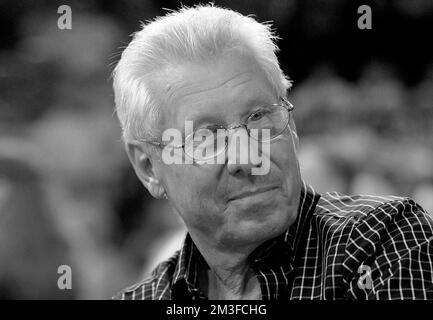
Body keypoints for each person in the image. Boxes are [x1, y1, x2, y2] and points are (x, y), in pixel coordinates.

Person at [111, 4, 433, 300]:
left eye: (259, 116)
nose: (249, 158)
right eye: (207, 136)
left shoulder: (381, 241)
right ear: (148, 167)